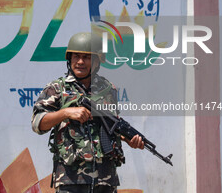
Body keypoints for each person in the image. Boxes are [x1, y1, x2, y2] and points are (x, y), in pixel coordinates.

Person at [31, 32, 144, 193]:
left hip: (105, 179)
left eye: (87, 57)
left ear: (97, 61)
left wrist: (128, 139)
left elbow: (110, 127)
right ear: (69, 59)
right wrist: (66, 112)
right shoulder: (57, 89)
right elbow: (37, 123)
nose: (80, 62)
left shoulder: (108, 89)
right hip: (71, 178)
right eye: (76, 56)